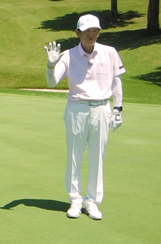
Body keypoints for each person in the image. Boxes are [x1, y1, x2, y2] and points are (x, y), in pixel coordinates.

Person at [45, 14, 125, 220]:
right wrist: (50, 65)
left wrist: (118, 109)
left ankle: (92, 202)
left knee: (97, 156)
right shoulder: (68, 55)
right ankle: (75, 200)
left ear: (98, 32)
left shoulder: (110, 52)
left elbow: (116, 82)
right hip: (77, 109)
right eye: (87, 31)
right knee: (74, 155)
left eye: (95, 30)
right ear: (77, 33)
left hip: (101, 108)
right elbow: (52, 83)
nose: (91, 34)